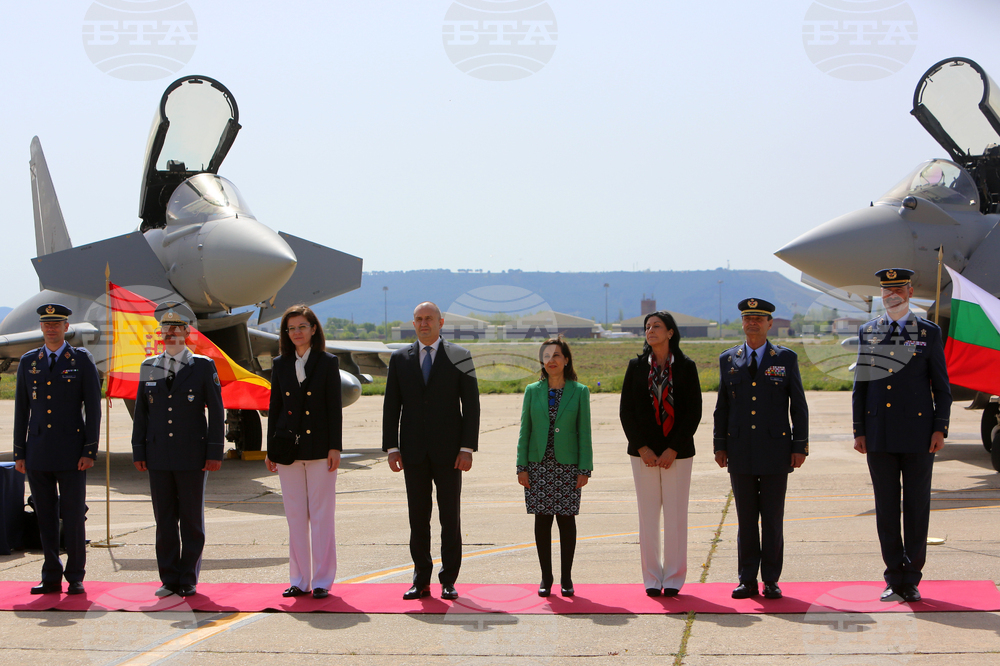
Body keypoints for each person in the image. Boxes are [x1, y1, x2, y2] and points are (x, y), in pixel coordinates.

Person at [852, 268, 951, 603]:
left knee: (917, 506)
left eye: (898, 289)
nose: (891, 295)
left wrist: (940, 427)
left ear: (909, 292)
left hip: (919, 435)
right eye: (886, 290)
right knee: (886, 508)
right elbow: (860, 387)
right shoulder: (870, 331)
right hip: (878, 434)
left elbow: (942, 387)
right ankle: (894, 576)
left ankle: (912, 577)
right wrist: (859, 430)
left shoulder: (929, 332)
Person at [382, 301, 480, 601]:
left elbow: (471, 406)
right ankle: (420, 578)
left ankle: (448, 579)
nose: (424, 323)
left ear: (441, 322)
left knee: (450, 517)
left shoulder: (460, 356)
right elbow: (391, 406)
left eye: (429, 318)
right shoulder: (399, 359)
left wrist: (466, 448)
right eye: (418, 319)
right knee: (418, 517)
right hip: (412, 453)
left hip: (450, 453)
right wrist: (392, 447)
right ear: (414, 324)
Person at [713, 298, 808, 600]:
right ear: (742, 322)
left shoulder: (786, 358)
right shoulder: (729, 359)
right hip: (740, 450)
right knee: (745, 518)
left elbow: (799, 406)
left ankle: (771, 579)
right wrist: (719, 445)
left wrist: (799, 446)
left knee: (772, 518)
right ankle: (747, 579)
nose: (753, 323)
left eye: (759, 318)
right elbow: (722, 407)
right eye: (748, 318)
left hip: (776, 451)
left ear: (770, 324)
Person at [132, 303, 225, 598]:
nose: (171, 333)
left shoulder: (202, 366)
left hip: (191, 455)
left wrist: (214, 451)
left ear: (187, 332)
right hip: (158, 455)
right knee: (164, 519)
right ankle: (169, 577)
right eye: (165, 328)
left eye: (177, 328)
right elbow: (142, 412)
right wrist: (139, 450)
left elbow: (217, 412)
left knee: (191, 519)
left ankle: (188, 576)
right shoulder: (149, 366)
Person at [13, 303, 101, 595]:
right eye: (46, 324)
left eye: (57, 324)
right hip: (38, 451)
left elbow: (93, 407)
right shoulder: (29, 361)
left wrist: (90, 450)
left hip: (72, 451)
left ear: (66, 327)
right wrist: (19, 452)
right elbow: (21, 410)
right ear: (41, 327)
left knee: (74, 515)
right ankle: (51, 574)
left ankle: (75, 575)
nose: (51, 329)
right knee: (45, 515)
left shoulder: (80, 359)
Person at [619, 311, 702, 597]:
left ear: (670, 332)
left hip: (677, 453)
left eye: (656, 326)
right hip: (643, 454)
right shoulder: (636, 366)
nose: (650, 330)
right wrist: (642, 447)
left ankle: (675, 578)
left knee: (676, 517)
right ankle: (652, 578)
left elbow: (693, 411)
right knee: (648, 517)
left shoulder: (686, 367)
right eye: (647, 327)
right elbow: (626, 411)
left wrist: (673, 448)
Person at [265, 305, 343, 600]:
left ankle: (322, 579)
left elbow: (334, 408)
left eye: (302, 326)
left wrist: (335, 446)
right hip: (287, 450)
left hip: (321, 448)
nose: (296, 332)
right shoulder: (280, 363)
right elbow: (274, 408)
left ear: (313, 329)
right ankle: (299, 579)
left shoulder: (327, 362)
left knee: (322, 516)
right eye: (291, 328)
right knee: (295, 516)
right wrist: (271, 449)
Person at [516, 337, 592, 598]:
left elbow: (584, 432)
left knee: (566, 522)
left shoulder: (579, 391)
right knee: (542, 521)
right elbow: (525, 431)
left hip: (568, 467)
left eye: (556, 355)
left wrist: (585, 468)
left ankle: (566, 578)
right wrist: (521, 466)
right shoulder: (531, 391)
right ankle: (546, 578)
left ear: (566, 360)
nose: (551, 360)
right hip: (538, 466)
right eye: (546, 356)